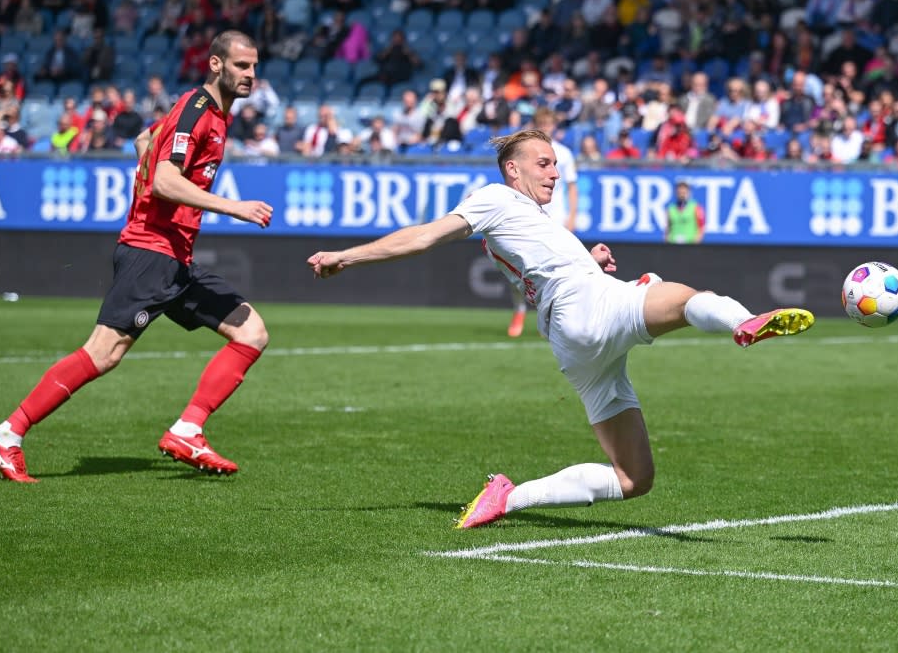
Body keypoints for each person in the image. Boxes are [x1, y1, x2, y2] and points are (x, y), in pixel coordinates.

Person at [307, 129, 814, 528]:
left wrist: (589, 260)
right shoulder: (493, 198)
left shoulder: (533, 217)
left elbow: (538, 268)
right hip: (582, 308)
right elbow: (423, 236)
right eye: (544, 163)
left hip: (571, 339)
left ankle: (506, 498)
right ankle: (742, 321)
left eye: (555, 164)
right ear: (513, 169)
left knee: (634, 479)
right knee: (681, 297)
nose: (554, 172)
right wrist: (347, 256)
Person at [0, 30, 274, 483]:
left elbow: (144, 140)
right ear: (216, 65)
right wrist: (235, 207)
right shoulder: (198, 112)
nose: (251, 74)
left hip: (174, 257)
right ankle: (8, 432)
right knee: (103, 353)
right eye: (241, 66)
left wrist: (148, 164)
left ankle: (188, 428)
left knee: (251, 332)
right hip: (150, 252)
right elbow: (164, 182)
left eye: (254, 66)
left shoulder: (209, 114)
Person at [507, 107, 578, 338]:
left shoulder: (564, 154)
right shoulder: (525, 153)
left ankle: (547, 317)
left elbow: (571, 187)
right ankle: (519, 310)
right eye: (542, 124)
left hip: (555, 218)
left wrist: (572, 216)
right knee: (520, 268)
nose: (546, 128)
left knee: (555, 272)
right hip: (529, 216)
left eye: (550, 124)